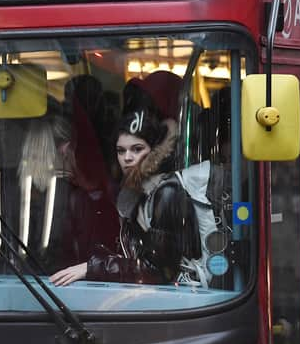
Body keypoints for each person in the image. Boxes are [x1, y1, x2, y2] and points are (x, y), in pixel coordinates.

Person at [50, 110, 201, 286]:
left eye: (137, 149)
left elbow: (158, 270)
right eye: (121, 151)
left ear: (154, 150)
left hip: (183, 303)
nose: (127, 158)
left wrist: (91, 267)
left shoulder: (167, 192)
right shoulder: (134, 192)